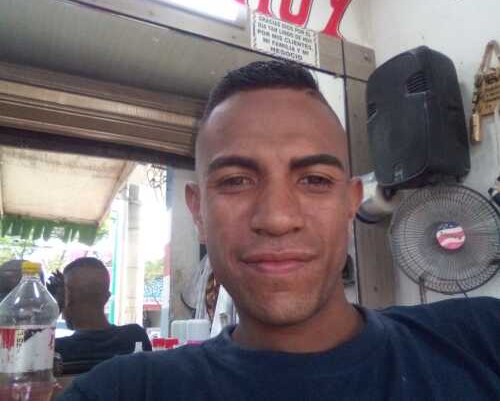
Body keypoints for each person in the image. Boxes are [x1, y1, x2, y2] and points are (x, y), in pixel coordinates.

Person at [58, 60, 500, 400]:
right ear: (198, 211)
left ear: (350, 204)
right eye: (236, 181)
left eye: (315, 180)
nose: (276, 218)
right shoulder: (124, 392)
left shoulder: (482, 338)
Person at [55, 257, 152, 363]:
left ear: (66, 298)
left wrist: (52, 308)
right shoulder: (136, 336)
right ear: (107, 297)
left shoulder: (57, 351)